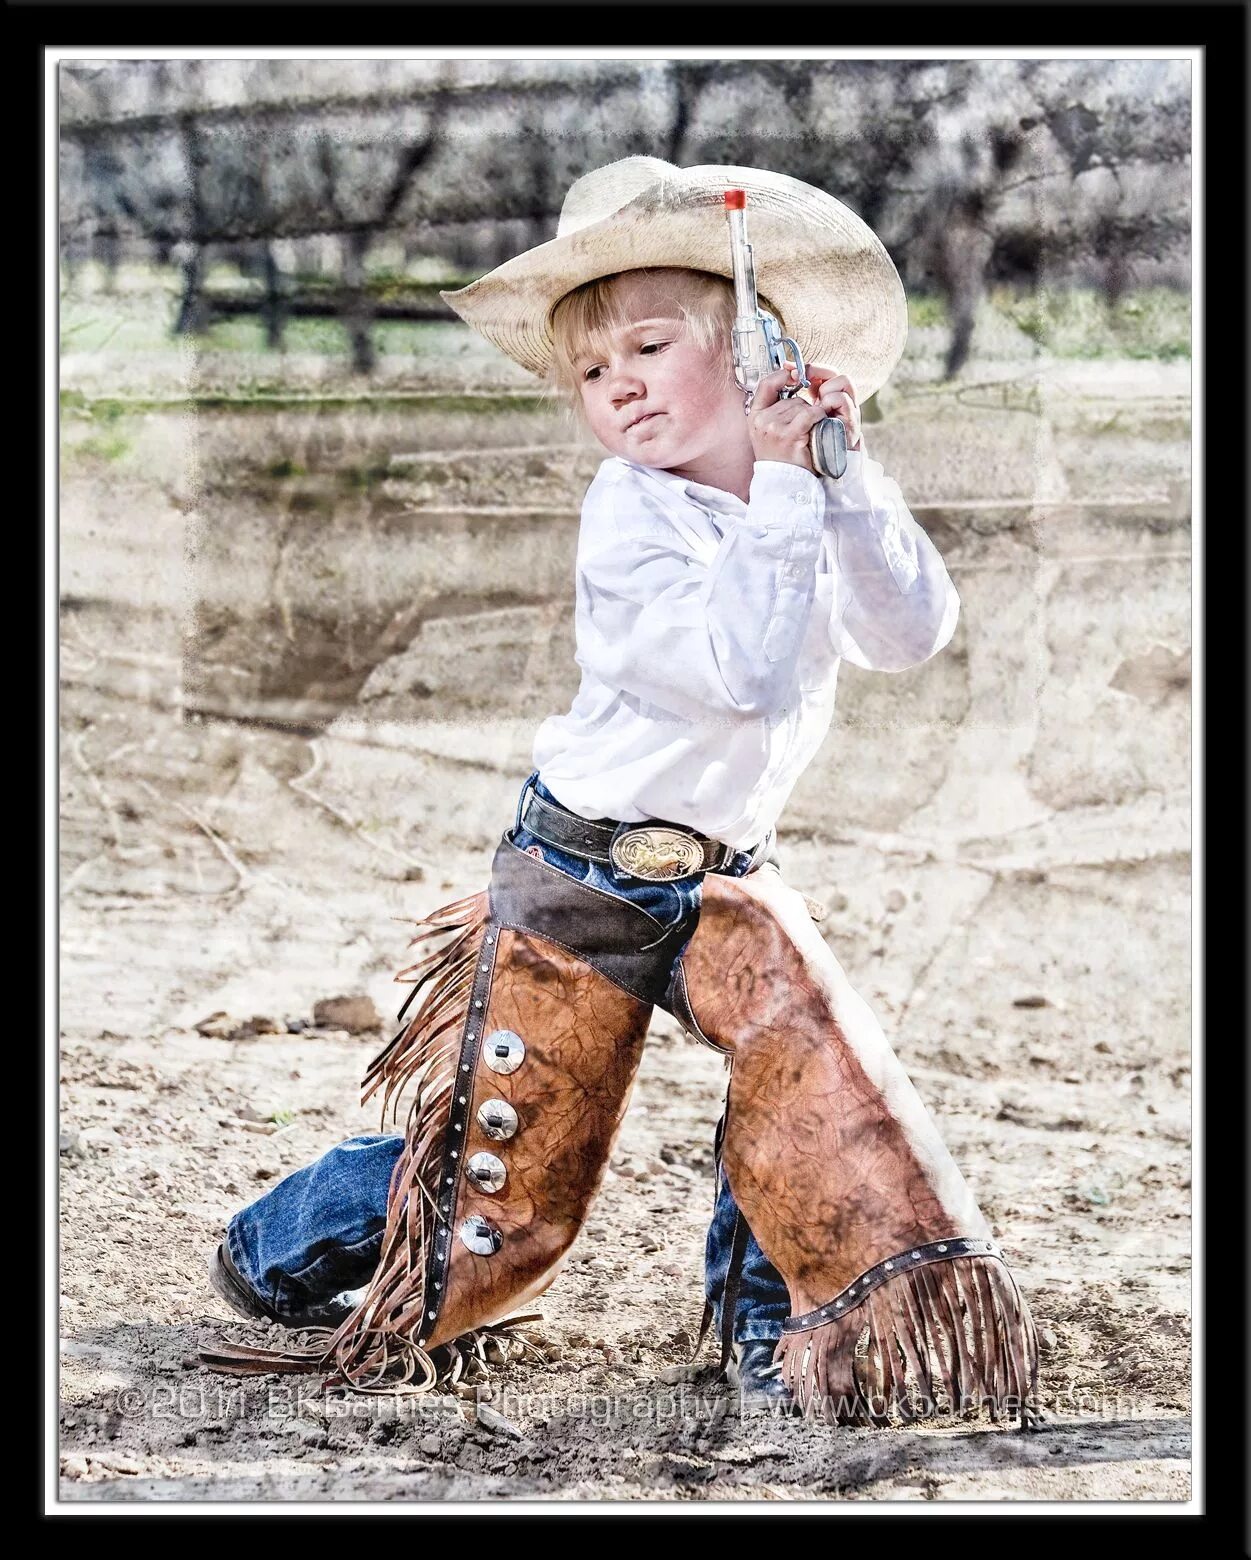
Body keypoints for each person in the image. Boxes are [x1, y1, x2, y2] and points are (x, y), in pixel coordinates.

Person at [205, 158, 1038, 1424]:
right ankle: (279, 1249)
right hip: (583, 870)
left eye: (650, 345)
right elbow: (741, 678)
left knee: (809, 1087)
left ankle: (775, 1338)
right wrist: (781, 502)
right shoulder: (630, 519)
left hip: (724, 871)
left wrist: (842, 474)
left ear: (757, 344)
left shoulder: (802, 490)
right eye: (595, 373)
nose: (621, 386)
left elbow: (909, 630)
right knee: (519, 1169)